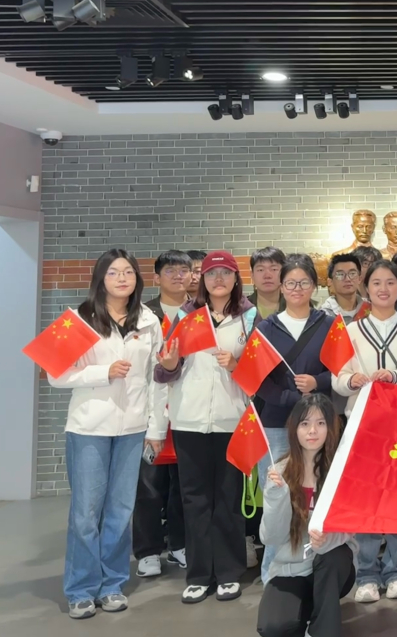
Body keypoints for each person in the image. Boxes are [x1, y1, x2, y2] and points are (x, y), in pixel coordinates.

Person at [49, 249, 165, 619]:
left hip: (132, 428)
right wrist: (104, 373)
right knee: (86, 513)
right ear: (100, 278)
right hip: (89, 428)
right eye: (113, 272)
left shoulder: (148, 320)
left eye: (128, 272)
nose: (122, 278)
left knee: (120, 510)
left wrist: (155, 427)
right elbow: (55, 374)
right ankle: (81, 589)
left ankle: (112, 584)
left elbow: (156, 376)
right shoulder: (78, 319)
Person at [155, 250, 257, 604]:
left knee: (228, 499)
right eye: (212, 273)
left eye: (226, 273)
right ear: (202, 279)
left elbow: (260, 374)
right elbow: (163, 372)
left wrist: (236, 365)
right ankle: (199, 575)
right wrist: (170, 364)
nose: (218, 279)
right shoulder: (187, 316)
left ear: (235, 278)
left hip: (232, 421)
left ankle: (229, 573)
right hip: (190, 421)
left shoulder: (250, 317)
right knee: (194, 500)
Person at [331, 259, 397, 603]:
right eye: (376, 283)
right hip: (363, 425)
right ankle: (367, 574)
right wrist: (350, 380)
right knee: (367, 501)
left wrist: (395, 376)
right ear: (365, 288)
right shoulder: (351, 331)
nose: (383, 289)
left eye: (390, 283)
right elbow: (337, 378)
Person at [255, 254, 335, 584]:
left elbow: (342, 370)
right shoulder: (265, 329)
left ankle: (318, 570)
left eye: (304, 282)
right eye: (290, 283)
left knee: (318, 494)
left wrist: (318, 381)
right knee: (279, 497)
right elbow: (258, 380)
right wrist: (292, 400)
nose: (297, 288)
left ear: (314, 286)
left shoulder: (329, 325)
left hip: (319, 425)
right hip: (277, 423)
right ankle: (274, 574)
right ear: (282, 287)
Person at [257, 394, 355, 637]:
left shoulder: (341, 471)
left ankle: (323, 630)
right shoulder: (279, 471)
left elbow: (350, 527)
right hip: (291, 568)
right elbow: (271, 537)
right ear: (295, 429)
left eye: (321, 423)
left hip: (330, 566)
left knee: (332, 556)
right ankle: (307, 608)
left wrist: (328, 539)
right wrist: (277, 497)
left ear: (330, 427)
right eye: (305, 423)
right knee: (274, 628)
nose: (312, 430)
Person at [135, 249, 192, 578]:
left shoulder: (198, 312)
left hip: (186, 409)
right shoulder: (143, 315)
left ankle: (180, 544)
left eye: (184, 270)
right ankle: (147, 551)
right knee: (149, 486)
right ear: (157, 277)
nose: (178, 276)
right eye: (170, 270)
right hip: (150, 410)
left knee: (184, 485)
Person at [320, 252, 366, 321]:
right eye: (340, 274)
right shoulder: (324, 315)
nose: (347, 279)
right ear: (330, 282)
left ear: (360, 279)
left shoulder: (370, 309)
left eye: (352, 273)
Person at [250, 246, 287, 322]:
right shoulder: (241, 308)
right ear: (252, 275)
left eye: (274, 269)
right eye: (260, 270)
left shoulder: (297, 306)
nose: (267, 276)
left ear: (284, 273)